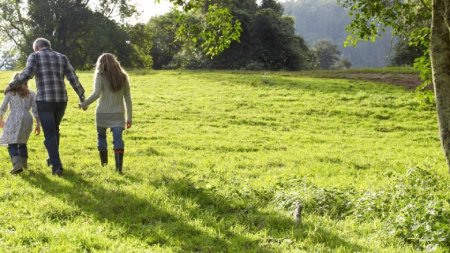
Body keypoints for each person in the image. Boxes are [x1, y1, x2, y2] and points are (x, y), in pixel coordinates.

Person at [6, 38, 85, 176]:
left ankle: (57, 166)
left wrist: (12, 84)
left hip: (45, 100)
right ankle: (51, 158)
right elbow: (73, 77)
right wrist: (81, 95)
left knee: (49, 133)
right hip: (61, 100)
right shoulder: (62, 57)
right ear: (48, 46)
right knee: (54, 130)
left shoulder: (35, 56)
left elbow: (27, 74)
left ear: (36, 47)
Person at [79, 53, 132, 174]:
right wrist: (129, 117)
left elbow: (96, 93)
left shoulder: (100, 75)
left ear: (101, 63)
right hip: (118, 114)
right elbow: (128, 99)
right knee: (118, 139)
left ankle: (104, 165)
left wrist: (84, 104)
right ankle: (119, 169)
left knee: (101, 137)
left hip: (102, 113)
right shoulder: (123, 77)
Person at [1, 74, 41, 174]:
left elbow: (3, 107)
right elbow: (35, 110)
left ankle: (17, 165)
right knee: (22, 142)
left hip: (14, 118)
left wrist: (0, 118)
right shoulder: (31, 93)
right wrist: (38, 124)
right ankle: (24, 165)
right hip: (27, 119)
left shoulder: (11, 93)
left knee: (12, 142)